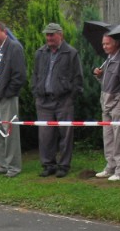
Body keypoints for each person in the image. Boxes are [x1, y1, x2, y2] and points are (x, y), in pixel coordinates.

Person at [31, 23, 83, 178]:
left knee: (65, 135)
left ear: (60, 34)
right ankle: (48, 164)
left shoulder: (71, 53)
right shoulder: (40, 53)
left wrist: (71, 97)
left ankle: (64, 165)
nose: (49, 38)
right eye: (47, 35)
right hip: (43, 101)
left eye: (52, 34)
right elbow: (35, 74)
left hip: (63, 101)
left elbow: (78, 78)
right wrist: (36, 91)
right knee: (45, 136)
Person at [0, 21, 27, 178]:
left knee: (9, 131)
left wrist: (9, 92)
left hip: (5, 96)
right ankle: (1, 165)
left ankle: (13, 167)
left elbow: (20, 74)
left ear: (4, 32)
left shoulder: (14, 47)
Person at [93, 34, 120, 181]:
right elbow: (109, 83)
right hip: (106, 104)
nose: (104, 46)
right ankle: (110, 166)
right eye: (103, 44)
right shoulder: (109, 59)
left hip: (119, 105)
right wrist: (99, 75)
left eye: (107, 44)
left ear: (117, 43)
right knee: (109, 137)